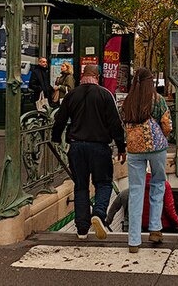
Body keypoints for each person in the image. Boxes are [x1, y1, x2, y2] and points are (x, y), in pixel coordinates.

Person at [51, 63, 125, 240]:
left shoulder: (72, 95)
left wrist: (55, 138)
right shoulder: (105, 95)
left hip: (76, 147)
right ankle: (98, 214)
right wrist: (121, 147)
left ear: (83, 75)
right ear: (97, 77)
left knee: (81, 186)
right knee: (104, 183)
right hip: (99, 147)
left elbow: (60, 119)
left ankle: (82, 229)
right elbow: (115, 124)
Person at [121, 67, 171, 253]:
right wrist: (164, 135)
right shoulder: (157, 100)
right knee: (158, 183)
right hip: (157, 147)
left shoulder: (129, 100)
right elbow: (166, 124)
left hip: (134, 149)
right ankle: (155, 228)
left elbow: (124, 120)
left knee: (135, 189)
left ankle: (134, 240)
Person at [105, 174, 178, 234]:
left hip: (130, 226)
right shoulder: (162, 186)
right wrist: (176, 223)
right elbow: (169, 208)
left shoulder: (125, 193)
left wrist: (107, 222)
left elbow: (113, 209)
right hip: (158, 226)